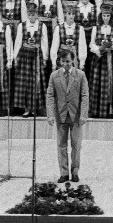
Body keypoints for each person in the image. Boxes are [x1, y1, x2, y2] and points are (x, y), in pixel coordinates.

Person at [46, 49, 89, 183]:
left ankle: (75, 172)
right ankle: (64, 173)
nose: (66, 64)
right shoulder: (54, 76)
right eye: (63, 62)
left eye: (68, 62)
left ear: (73, 61)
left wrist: (83, 114)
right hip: (61, 115)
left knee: (76, 145)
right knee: (61, 145)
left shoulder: (80, 75)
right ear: (59, 61)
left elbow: (85, 95)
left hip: (76, 116)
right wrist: (50, 115)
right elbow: (50, 95)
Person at [13, 2, 49, 117]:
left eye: (34, 15)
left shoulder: (42, 26)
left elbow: (44, 43)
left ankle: (34, 108)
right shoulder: (22, 26)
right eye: (30, 15)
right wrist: (15, 57)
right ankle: (26, 108)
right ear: (27, 14)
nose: (32, 17)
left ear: (37, 14)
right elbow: (18, 42)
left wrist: (45, 58)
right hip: (24, 57)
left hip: (37, 56)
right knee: (25, 83)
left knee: (36, 83)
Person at [88, 4, 113, 118]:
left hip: (111, 60)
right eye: (104, 15)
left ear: (111, 16)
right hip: (99, 60)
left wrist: (111, 46)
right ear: (101, 16)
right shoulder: (96, 28)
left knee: (111, 85)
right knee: (98, 85)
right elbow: (91, 45)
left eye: (108, 15)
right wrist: (99, 49)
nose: (106, 18)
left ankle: (111, 110)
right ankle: (97, 111)